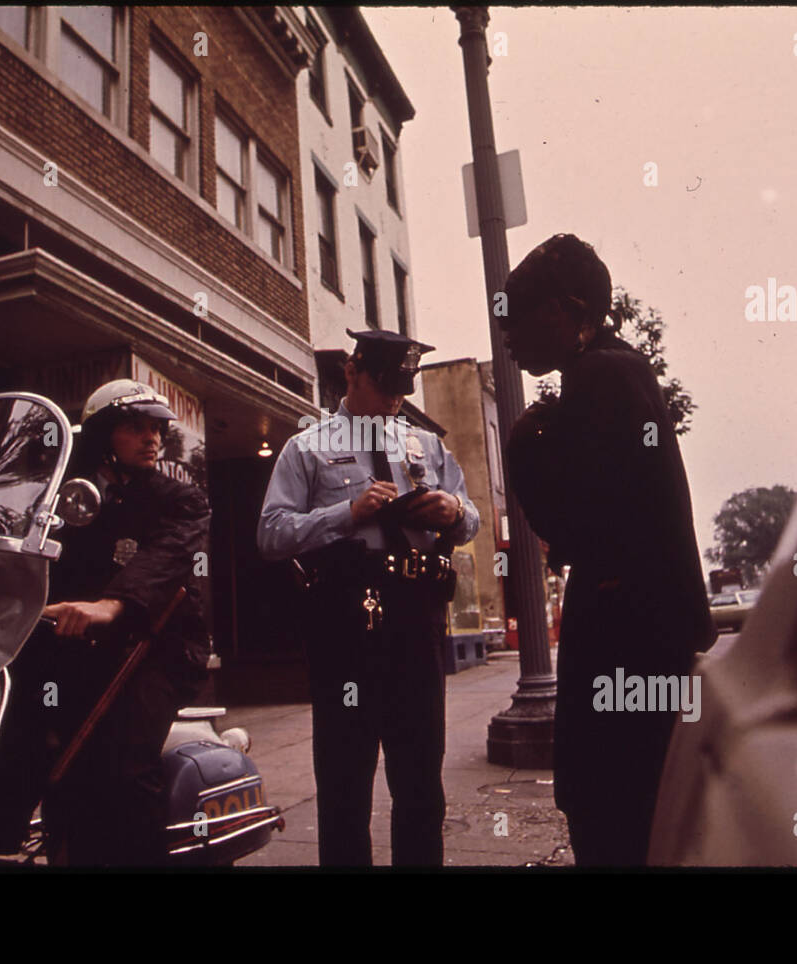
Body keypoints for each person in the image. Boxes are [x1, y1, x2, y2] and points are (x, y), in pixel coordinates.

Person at [499, 234, 715, 866]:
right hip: (643, 639)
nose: (507, 336)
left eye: (517, 315)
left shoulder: (601, 375)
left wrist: (527, 443)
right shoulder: (617, 372)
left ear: (565, 313)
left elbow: (575, 527)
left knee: (610, 814)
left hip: (627, 642)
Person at [257, 329, 480, 866]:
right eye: (384, 385)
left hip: (417, 623)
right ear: (352, 371)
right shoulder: (307, 446)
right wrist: (346, 513)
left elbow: (470, 518)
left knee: (422, 780)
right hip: (346, 627)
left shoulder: (424, 445)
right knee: (344, 783)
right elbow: (270, 533)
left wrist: (454, 512)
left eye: (403, 388)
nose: (395, 399)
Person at [39, 378, 211, 866]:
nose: (152, 439)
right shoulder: (64, 495)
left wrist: (112, 605)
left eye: (155, 429)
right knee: (48, 755)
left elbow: (166, 556)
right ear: (103, 436)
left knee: (125, 766)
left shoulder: (180, 498)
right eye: (136, 428)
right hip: (77, 646)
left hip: (157, 649)